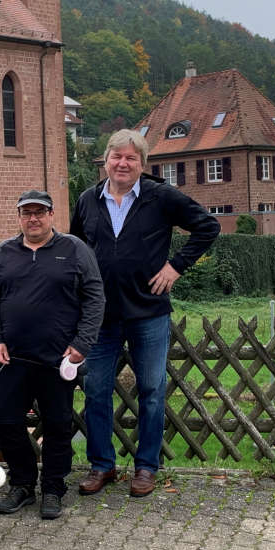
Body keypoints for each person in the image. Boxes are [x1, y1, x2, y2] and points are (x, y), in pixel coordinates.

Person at [70, 129, 220, 497]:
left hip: (148, 311)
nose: (122, 163)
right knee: (96, 390)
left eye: (130, 158)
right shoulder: (88, 200)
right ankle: (102, 465)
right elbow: (75, 248)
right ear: (105, 161)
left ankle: (146, 467)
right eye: (116, 157)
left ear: (142, 164)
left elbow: (208, 226)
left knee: (151, 391)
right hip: (100, 315)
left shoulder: (161, 196)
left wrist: (176, 266)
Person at [0, 190, 104, 519]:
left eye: (40, 212)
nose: (33, 218)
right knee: (6, 420)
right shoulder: (4, 252)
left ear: (51, 215)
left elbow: (95, 297)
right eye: (26, 213)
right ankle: (22, 484)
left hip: (58, 358)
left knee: (58, 425)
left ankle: (53, 488)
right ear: (19, 217)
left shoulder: (74, 249)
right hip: (11, 359)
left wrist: (82, 344)